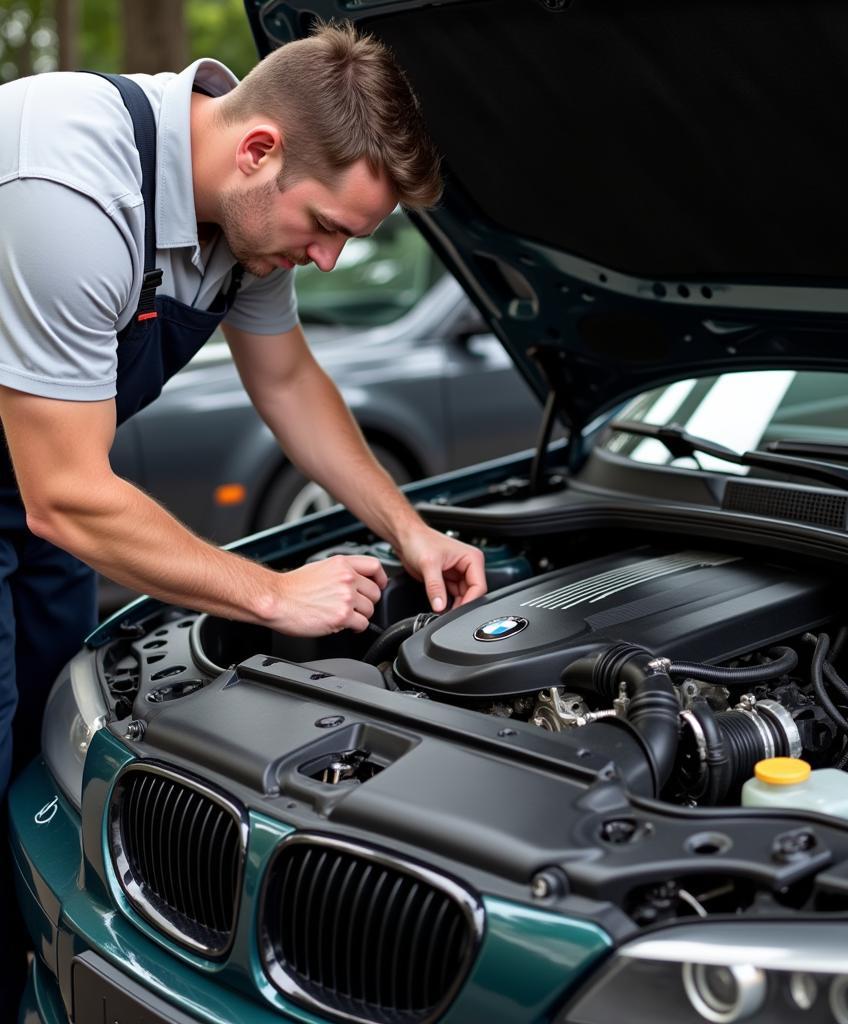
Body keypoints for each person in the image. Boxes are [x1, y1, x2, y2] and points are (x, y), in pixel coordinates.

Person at [0, 21, 487, 805]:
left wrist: (412, 532)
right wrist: (275, 594)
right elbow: (65, 496)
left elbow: (289, 381)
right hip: (51, 484)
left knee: (48, 756)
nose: (328, 259)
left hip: (33, 482)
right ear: (258, 150)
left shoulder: (245, 216)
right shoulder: (70, 191)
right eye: (326, 226)